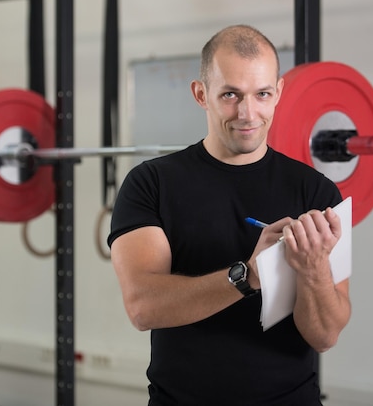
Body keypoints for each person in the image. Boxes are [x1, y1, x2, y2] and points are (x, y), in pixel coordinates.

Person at [108, 24, 351, 405]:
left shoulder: (317, 192)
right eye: (230, 95)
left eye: (262, 94)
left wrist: (313, 265)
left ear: (279, 93)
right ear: (201, 94)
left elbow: (325, 336)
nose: (247, 113)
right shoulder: (151, 183)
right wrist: (249, 274)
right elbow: (143, 308)